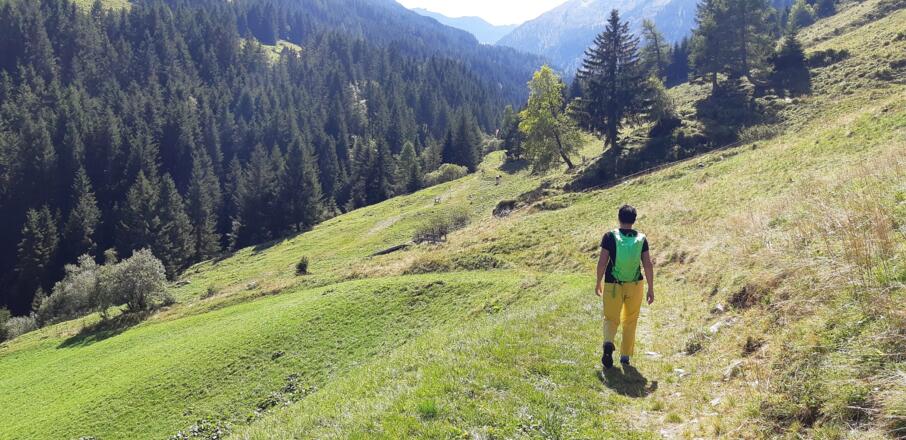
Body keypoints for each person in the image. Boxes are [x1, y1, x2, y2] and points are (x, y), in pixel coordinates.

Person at [595, 205, 655, 369]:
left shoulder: (609, 236)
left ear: (619, 218)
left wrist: (598, 281)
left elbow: (602, 262)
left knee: (610, 318)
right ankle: (625, 356)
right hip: (635, 284)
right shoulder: (641, 239)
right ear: (634, 220)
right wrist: (650, 287)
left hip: (612, 284)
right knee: (630, 320)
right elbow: (648, 265)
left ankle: (608, 343)